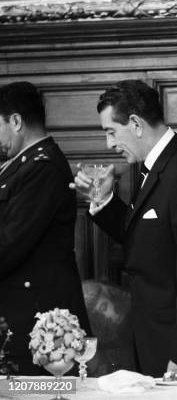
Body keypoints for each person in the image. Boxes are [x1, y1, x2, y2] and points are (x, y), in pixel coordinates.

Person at [71, 80, 177, 378]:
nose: (109, 144)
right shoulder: (152, 166)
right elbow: (145, 240)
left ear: (136, 123)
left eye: (111, 132)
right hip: (156, 342)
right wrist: (104, 201)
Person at [0, 81, 90, 375]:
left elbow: (10, 243)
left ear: (16, 121)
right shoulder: (21, 166)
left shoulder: (43, 167)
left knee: (41, 393)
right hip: (21, 319)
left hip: (39, 327)